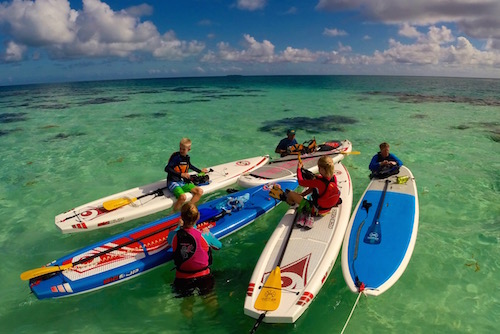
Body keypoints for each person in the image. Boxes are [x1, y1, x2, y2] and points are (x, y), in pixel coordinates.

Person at [171, 203, 221, 317]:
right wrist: (208, 234)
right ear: (198, 216)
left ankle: (189, 326)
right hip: (204, 277)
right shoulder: (204, 235)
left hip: (182, 278)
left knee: (187, 304)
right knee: (210, 300)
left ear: (181, 218)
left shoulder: (175, 236)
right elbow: (219, 246)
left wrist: (179, 227)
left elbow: (171, 242)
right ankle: (214, 320)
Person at [279, 155, 341, 229]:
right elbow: (319, 189)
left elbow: (301, 182)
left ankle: (292, 203)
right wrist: (302, 194)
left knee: (290, 193)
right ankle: (300, 202)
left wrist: (298, 169)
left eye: (319, 168)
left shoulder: (318, 182)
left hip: (316, 210)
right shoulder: (334, 178)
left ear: (322, 170)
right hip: (327, 209)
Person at [165, 138, 208, 211]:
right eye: (180, 148)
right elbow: (167, 168)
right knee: (182, 197)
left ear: (189, 149)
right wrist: (181, 174)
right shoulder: (176, 157)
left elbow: (190, 166)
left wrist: (200, 171)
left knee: (199, 191)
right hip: (172, 182)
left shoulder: (187, 158)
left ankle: (188, 208)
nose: (181, 150)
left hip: (182, 182)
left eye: (183, 149)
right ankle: (172, 214)